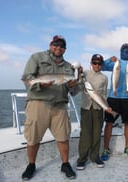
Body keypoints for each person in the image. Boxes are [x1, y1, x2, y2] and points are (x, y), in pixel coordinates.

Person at [21, 35, 79, 180]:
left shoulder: (68, 67)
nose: (58, 48)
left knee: (63, 137)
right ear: (50, 44)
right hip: (38, 104)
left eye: (62, 46)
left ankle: (65, 164)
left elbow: (73, 92)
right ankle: (31, 165)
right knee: (33, 138)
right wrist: (41, 84)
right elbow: (27, 79)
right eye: (55, 44)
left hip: (60, 107)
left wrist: (73, 85)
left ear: (65, 49)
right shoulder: (37, 57)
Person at [101, 43, 128, 161]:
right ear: (120, 51)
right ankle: (106, 148)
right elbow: (102, 66)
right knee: (109, 123)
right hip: (113, 97)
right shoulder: (115, 62)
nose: (126, 51)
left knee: (127, 123)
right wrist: (109, 59)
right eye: (124, 49)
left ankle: (127, 147)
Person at [76, 54, 109, 170]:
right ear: (91, 63)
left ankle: (95, 157)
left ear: (102, 65)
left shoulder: (104, 78)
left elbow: (104, 94)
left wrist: (106, 107)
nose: (97, 65)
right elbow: (79, 86)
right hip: (86, 107)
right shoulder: (85, 73)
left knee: (97, 134)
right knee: (85, 134)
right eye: (94, 63)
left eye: (99, 63)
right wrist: (79, 73)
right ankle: (82, 159)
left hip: (98, 109)